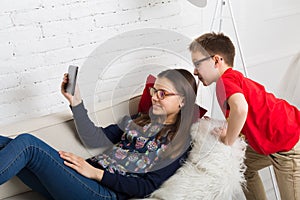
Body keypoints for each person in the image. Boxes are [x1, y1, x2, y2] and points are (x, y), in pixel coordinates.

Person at [0, 68, 197, 200]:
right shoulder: (138, 119)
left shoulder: (179, 142)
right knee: (4, 142)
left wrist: (96, 173)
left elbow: (146, 187)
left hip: (103, 192)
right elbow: (93, 138)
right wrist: (75, 101)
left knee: (28, 144)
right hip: (80, 179)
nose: (154, 97)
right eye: (154, 90)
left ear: (183, 101)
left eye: (163, 94)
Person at [189, 32, 300, 200]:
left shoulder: (224, 82)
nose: (195, 71)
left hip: (288, 144)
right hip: (274, 139)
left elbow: (240, 109)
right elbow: (243, 116)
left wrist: (227, 140)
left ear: (216, 60)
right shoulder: (231, 80)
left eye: (198, 64)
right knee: (242, 165)